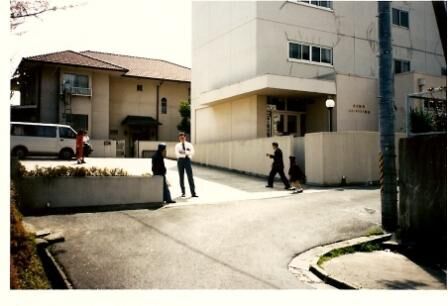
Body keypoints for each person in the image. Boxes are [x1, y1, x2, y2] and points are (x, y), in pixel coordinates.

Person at [175, 132, 198, 198]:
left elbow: (192, 152)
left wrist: (184, 152)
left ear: (185, 137)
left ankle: (193, 193)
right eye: (181, 137)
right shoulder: (177, 145)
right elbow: (177, 154)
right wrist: (186, 153)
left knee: (190, 176)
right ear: (179, 138)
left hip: (187, 161)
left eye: (183, 137)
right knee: (181, 177)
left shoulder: (189, 145)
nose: (182, 138)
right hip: (180, 161)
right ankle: (183, 192)